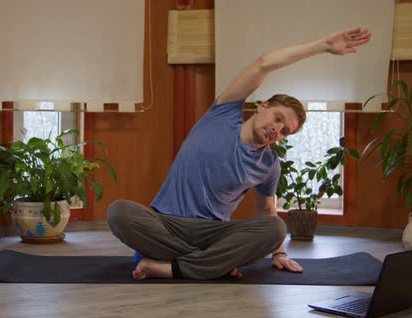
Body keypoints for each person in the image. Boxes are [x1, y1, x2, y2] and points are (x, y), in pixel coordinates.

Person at [107, 27, 371, 280]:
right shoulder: (222, 113)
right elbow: (264, 63)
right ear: (261, 106)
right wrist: (323, 45)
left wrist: (278, 252)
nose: (277, 130)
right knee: (119, 212)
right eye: (277, 118)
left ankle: (171, 267)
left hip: (212, 232)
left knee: (276, 227)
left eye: (284, 131)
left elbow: (266, 209)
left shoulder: (269, 164)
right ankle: (208, 264)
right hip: (166, 224)